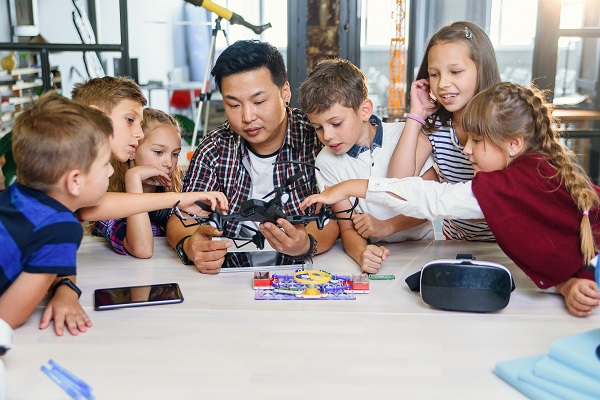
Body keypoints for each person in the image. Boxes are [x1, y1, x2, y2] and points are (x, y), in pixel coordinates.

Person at [301, 82, 600, 317]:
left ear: (514, 144)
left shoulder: (511, 184)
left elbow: (433, 198)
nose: (467, 151)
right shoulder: (534, 171)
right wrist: (567, 283)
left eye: (478, 142)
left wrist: (350, 187)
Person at [166, 40, 339, 274]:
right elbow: (181, 217)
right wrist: (189, 245)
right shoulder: (214, 148)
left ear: (284, 92)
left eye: (259, 102)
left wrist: (306, 243)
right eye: (234, 105)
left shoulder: (317, 138)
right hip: (229, 276)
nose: (248, 117)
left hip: (305, 275)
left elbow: (338, 218)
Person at [297, 58, 437, 273]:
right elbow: (347, 227)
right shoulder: (326, 161)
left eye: (336, 123)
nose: (327, 135)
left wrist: (387, 226)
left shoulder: (406, 134)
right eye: (318, 127)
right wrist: (362, 253)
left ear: (365, 110)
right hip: (376, 253)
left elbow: (431, 203)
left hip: (424, 250)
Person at [0, 92, 113, 336]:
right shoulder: (60, 227)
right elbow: (7, 317)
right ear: (74, 181)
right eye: (105, 164)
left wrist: (65, 288)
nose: (111, 172)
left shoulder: (16, 195)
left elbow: (54, 260)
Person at [388, 21, 500, 241]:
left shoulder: (502, 126)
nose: (443, 84)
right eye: (435, 74)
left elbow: (488, 204)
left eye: (455, 72)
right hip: (453, 243)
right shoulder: (436, 127)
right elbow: (396, 184)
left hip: (503, 245)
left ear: (482, 68)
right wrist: (416, 114)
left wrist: (436, 202)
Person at [71, 76, 227, 225]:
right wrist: (178, 199)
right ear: (95, 116)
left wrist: (178, 199)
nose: (139, 134)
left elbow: (92, 207)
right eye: (130, 120)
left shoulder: (82, 177)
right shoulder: (63, 163)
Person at [93, 108, 183, 258]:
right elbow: (142, 249)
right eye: (159, 152)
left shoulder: (177, 191)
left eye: (175, 154)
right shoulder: (107, 199)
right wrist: (133, 177)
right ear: (133, 150)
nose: (169, 163)